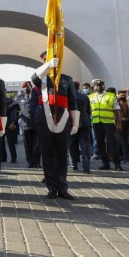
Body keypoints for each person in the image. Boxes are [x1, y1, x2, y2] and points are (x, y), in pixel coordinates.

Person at [29, 52, 78, 200]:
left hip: (63, 118)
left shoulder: (67, 79)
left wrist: (75, 122)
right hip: (44, 119)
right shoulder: (41, 79)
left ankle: (62, 187)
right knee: (48, 154)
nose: (51, 63)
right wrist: (48, 66)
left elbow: (73, 101)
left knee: (62, 154)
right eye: (46, 61)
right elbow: (34, 78)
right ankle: (51, 187)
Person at [88, 79, 123, 171]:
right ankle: (105, 163)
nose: (98, 87)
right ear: (94, 87)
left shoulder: (111, 96)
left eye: (100, 85)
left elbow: (117, 110)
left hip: (109, 123)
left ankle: (117, 164)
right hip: (96, 123)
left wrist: (118, 123)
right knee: (100, 143)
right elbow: (89, 111)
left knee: (112, 143)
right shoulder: (90, 97)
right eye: (96, 86)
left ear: (104, 86)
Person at [10, 81, 40, 168]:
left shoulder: (37, 97)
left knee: (37, 145)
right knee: (27, 144)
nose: (28, 88)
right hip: (25, 124)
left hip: (36, 123)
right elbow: (12, 108)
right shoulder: (20, 98)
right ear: (23, 89)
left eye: (29, 87)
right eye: (26, 87)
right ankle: (30, 162)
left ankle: (37, 162)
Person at [68, 81, 92, 173]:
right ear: (78, 88)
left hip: (72, 121)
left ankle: (74, 165)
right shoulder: (85, 97)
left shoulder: (68, 97)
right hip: (84, 122)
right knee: (85, 145)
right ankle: (86, 167)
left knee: (72, 144)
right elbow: (88, 110)